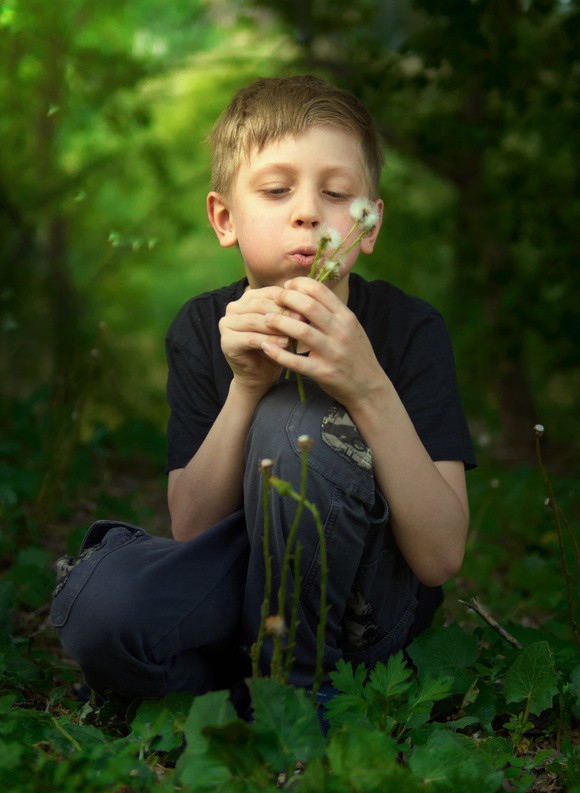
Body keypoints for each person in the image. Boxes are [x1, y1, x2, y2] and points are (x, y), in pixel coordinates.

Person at [50, 75, 476, 704]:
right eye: (277, 191)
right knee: (102, 611)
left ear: (370, 223)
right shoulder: (203, 328)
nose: (308, 211)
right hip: (242, 587)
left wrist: (369, 388)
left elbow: (440, 557)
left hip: (366, 610)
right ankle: (243, 687)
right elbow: (192, 528)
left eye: (336, 193)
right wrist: (246, 388)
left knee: (292, 425)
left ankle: (295, 700)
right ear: (225, 218)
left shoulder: (410, 330)